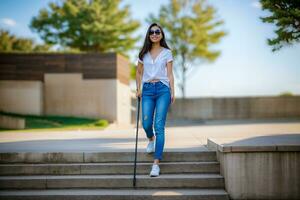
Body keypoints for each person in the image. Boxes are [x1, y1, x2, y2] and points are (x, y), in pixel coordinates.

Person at [136, 22, 175, 177]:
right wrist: (138, 89)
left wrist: (173, 90)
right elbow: (138, 73)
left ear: (161, 34)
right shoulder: (143, 53)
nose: (154, 34)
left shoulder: (167, 52)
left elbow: (170, 74)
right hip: (147, 90)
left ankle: (156, 164)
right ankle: (150, 139)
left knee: (159, 125)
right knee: (146, 123)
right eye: (151, 32)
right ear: (148, 34)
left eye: (157, 31)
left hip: (162, 89)